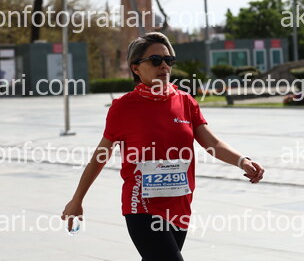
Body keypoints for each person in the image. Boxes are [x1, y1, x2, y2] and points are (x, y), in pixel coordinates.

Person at [61, 32, 264, 260]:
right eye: (155, 60)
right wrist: (77, 199)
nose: (164, 66)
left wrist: (242, 161)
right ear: (136, 68)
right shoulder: (123, 107)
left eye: (168, 60)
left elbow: (212, 143)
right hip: (142, 206)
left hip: (179, 206)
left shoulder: (186, 102)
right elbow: (100, 156)